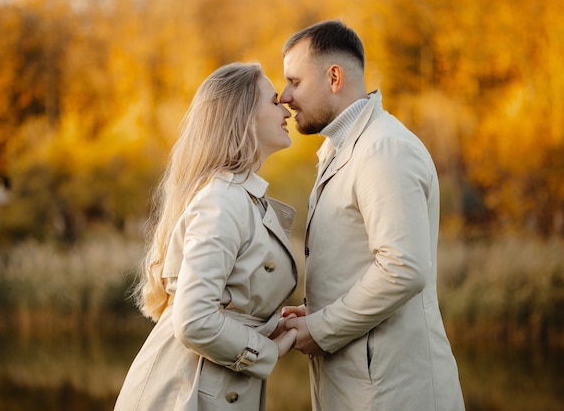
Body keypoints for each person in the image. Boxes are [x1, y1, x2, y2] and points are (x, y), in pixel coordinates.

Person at [279, 20, 465, 411]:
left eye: (294, 81)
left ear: (333, 77)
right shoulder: (344, 148)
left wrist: (321, 328)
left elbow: (402, 268)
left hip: (393, 395)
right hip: (360, 389)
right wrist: (317, 311)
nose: (285, 96)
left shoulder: (383, 149)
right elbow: (359, 262)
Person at [114, 62, 299, 411]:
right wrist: (268, 350)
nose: (285, 108)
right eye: (274, 102)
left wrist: (276, 324)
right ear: (244, 117)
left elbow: (230, 303)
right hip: (182, 392)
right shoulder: (223, 199)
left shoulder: (239, 198)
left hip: (209, 386)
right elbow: (195, 319)